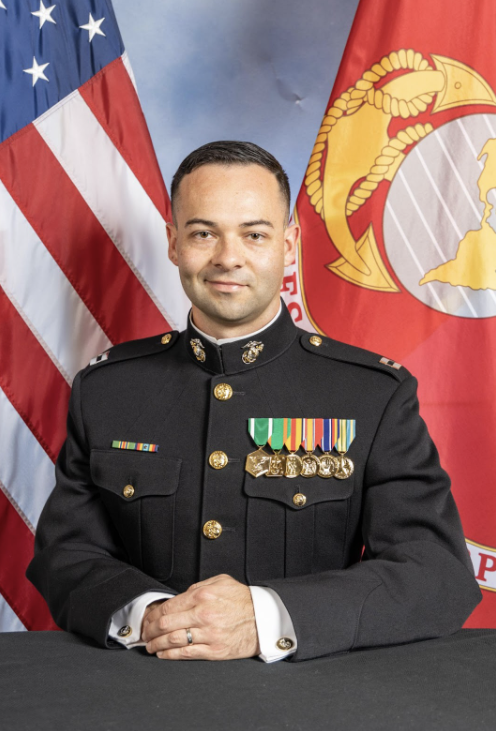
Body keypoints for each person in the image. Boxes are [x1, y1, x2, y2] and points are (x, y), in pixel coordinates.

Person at [27, 141, 481, 663]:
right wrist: (149, 616)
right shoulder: (107, 390)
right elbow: (66, 552)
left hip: (314, 699)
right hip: (143, 692)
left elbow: (435, 571)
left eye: (254, 234)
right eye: (203, 233)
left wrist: (268, 617)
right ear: (174, 243)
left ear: (288, 245)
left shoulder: (370, 395)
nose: (228, 257)